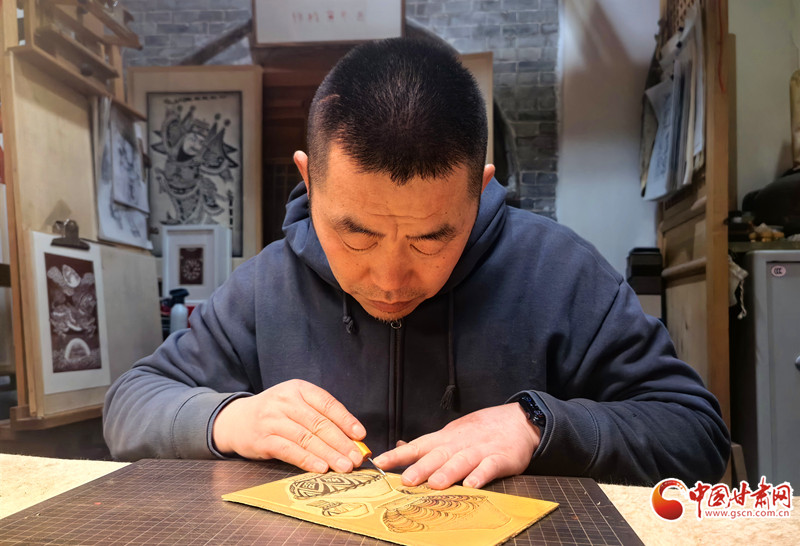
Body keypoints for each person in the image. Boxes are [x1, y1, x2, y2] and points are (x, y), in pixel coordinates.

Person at [104, 37, 729, 489]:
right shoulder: (267, 285)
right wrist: (230, 418)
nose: (390, 280)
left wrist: (539, 426)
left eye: (431, 239)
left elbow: (695, 434)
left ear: (480, 188)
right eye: (356, 236)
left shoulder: (559, 272)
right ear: (309, 181)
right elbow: (130, 404)